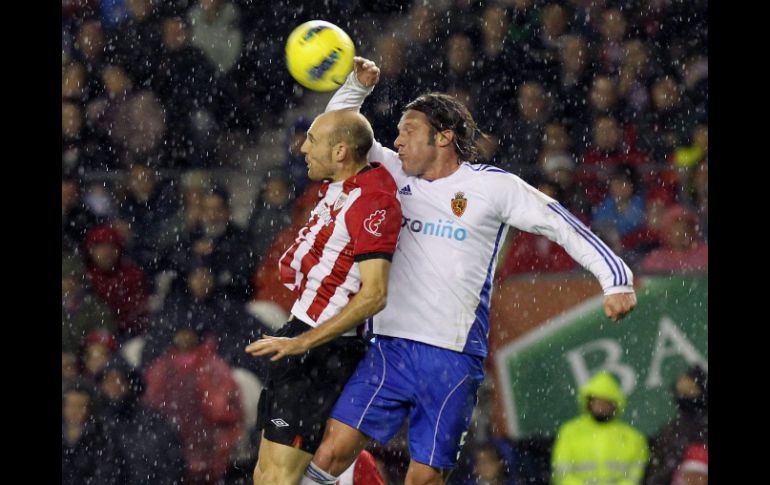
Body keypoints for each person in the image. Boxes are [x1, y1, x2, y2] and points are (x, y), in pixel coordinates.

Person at [251, 58, 637, 485]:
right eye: (396, 132)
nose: (396, 140)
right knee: (330, 452)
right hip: (388, 349)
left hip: (451, 356)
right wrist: (355, 88)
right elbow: (333, 135)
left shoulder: (492, 187)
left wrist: (615, 278)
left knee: (423, 478)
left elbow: (559, 223)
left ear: (444, 137)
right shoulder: (391, 172)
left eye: (408, 131)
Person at [244, 109, 403, 485]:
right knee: (265, 475)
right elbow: (345, 122)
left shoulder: (374, 202)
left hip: (323, 350)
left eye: (312, 141)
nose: (302, 149)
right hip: (300, 335)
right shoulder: (339, 184)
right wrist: (355, 83)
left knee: (282, 479)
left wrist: (305, 342)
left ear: (341, 153)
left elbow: (375, 293)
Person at [551, 371, 649, 485]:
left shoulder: (633, 437)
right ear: (589, 403)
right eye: (597, 401)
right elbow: (561, 473)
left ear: (615, 405)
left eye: (606, 402)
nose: (601, 406)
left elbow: (635, 475)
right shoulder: (569, 432)